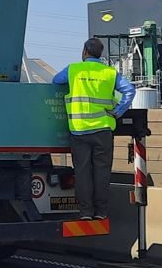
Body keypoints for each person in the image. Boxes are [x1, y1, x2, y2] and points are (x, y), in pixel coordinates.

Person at [52, 38, 135, 220]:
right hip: (103, 130)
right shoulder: (109, 73)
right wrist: (118, 111)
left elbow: (55, 80)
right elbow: (130, 90)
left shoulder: (73, 69)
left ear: (84, 51)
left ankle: (86, 213)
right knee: (102, 172)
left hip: (79, 130)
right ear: (100, 54)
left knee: (82, 173)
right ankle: (101, 212)